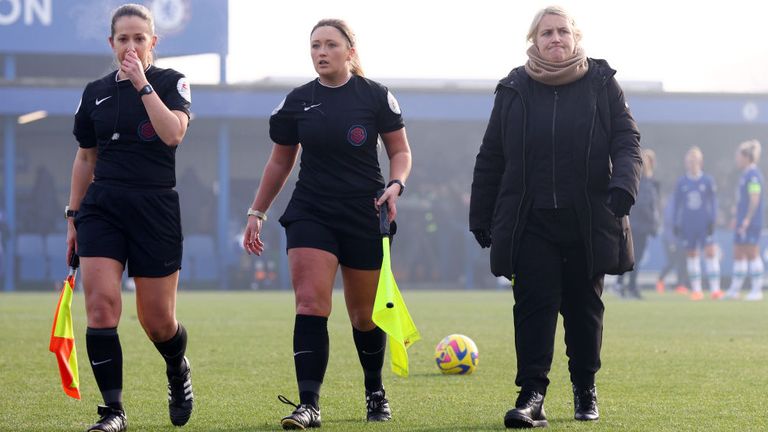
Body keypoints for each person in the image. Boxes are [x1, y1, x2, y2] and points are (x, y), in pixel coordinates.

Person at [469, 6, 641, 429]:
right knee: (533, 308)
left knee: (584, 310)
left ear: (576, 37)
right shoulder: (513, 88)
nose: (555, 38)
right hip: (531, 223)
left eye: (563, 30)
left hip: (587, 220)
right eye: (546, 32)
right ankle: (532, 396)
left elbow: (627, 139)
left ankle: (585, 387)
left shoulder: (603, 84)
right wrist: (481, 212)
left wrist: (625, 184)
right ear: (534, 41)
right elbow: (491, 156)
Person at [242, 18, 412, 429]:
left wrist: (395, 185)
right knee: (310, 304)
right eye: (315, 45)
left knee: (364, 316)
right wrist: (257, 211)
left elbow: (401, 152)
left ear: (350, 51)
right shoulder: (297, 101)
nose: (321, 52)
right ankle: (309, 404)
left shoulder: (375, 96)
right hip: (311, 212)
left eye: (330, 45)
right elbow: (280, 161)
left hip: (364, 213)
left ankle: (375, 390)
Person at [65, 4, 193, 431]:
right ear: (112, 43)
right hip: (102, 208)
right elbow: (86, 157)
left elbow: (173, 133)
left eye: (140, 38)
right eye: (124, 39)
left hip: (155, 207)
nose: (132, 46)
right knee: (101, 307)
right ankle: (113, 412)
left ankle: (177, 368)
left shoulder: (171, 82)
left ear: (153, 42)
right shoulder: (95, 91)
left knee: (157, 322)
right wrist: (73, 216)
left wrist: (141, 84)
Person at [672, 147, 722, 301]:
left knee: (710, 254)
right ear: (686, 163)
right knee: (692, 255)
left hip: (704, 224)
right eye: (689, 161)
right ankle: (697, 290)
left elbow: (713, 203)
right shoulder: (682, 182)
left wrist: (713, 220)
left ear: (700, 162)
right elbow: (676, 204)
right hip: (688, 225)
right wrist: (675, 223)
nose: (692, 164)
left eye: (694, 161)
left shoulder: (707, 181)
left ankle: (715, 289)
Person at [615, 149, 660, 299]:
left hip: (638, 225)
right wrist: (653, 223)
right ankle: (626, 285)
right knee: (634, 258)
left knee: (633, 258)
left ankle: (626, 285)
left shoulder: (647, 182)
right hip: (639, 226)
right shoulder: (644, 183)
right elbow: (645, 206)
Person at [724, 139, 765, 301]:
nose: (737, 159)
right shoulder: (745, 175)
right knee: (738, 253)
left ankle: (757, 290)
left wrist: (747, 219)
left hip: (751, 222)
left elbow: (754, 199)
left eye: (738, 156)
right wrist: (737, 217)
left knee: (752, 252)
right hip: (742, 220)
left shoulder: (754, 176)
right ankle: (735, 290)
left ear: (746, 157)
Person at [656, 195, 690, 294]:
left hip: (680, 239)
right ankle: (660, 281)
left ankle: (681, 285)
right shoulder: (674, 204)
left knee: (682, 262)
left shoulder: (681, 203)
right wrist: (672, 241)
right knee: (673, 262)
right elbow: (669, 224)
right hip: (671, 239)